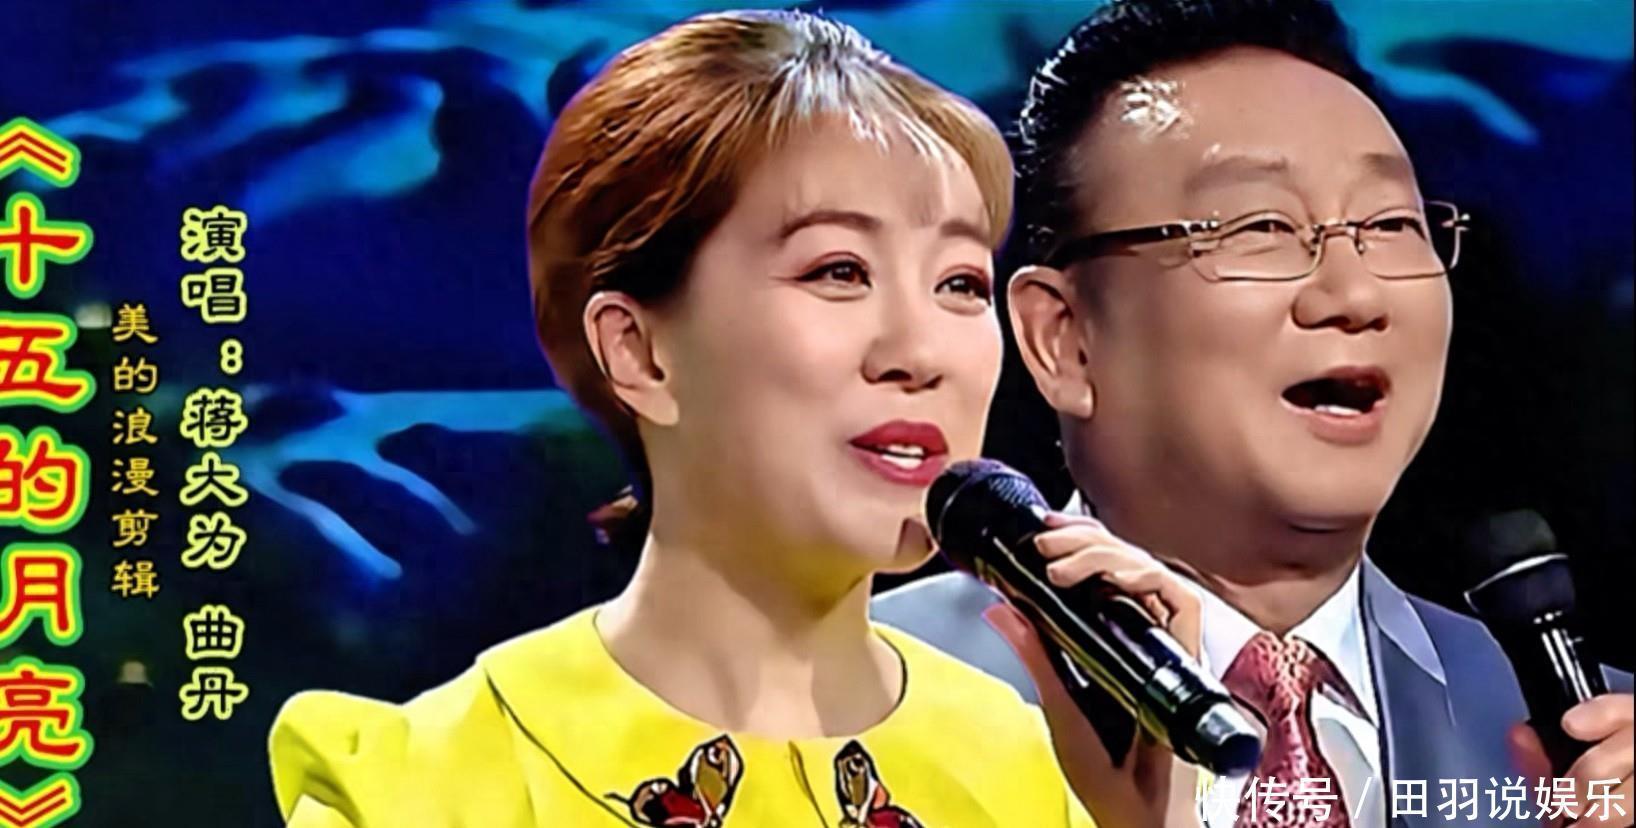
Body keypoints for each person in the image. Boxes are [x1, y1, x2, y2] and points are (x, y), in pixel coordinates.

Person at [268, 10, 1205, 827]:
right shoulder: (421, 786)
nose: (923, 352)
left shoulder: (1031, 777)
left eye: (960, 283)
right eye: (838, 270)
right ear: (639, 352)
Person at [873, 1, 1635, 826]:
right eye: (1261, 227)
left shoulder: (1584, 747)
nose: (1355, 295)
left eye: (1391, 224)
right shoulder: (855, 699)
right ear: (1065, 340)